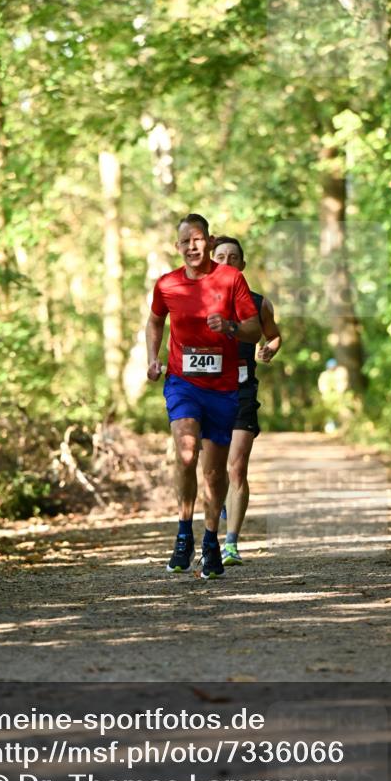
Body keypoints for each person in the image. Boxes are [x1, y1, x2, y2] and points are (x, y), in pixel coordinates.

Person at [146, 214, 261, 579]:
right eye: (185, 242)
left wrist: (229, 327)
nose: (192, 247)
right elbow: (154, 321)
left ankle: (210, 539)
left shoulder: (231, 279)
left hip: (224, 387)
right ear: (177, 247)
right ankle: (183, 533)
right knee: (185, 451)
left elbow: (254, 330)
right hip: (182, 382)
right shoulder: (166, 285)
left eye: (198, 240)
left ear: (209, 242)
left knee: (213, 472)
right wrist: (153, 358)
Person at [212, 236, 282, 566]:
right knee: (214, 473)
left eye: (233, 257)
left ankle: (230, 544)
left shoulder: (258, 303)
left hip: (242, 392)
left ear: (242, 265)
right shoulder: (197, 302)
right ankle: (222, 507)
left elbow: (274, 334)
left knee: (236, 467)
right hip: (207, 395)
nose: (226, 261)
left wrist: (271, 348)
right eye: (220, 256)